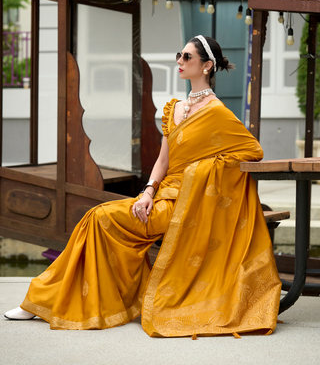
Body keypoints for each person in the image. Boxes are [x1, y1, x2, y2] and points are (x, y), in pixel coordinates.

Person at [5, 35, 281, 337]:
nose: (179, 61)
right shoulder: (174, 108)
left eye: (187, 57)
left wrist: (198, 175)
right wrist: (148, 192)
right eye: (180, 54)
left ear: (206, 66)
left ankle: (47, 301)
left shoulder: (217, 113)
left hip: (184, 207)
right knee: (94, 220)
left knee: (99, 218)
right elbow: (163, 161)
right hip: (159, 198)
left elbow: (252, 150)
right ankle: (46, 300)